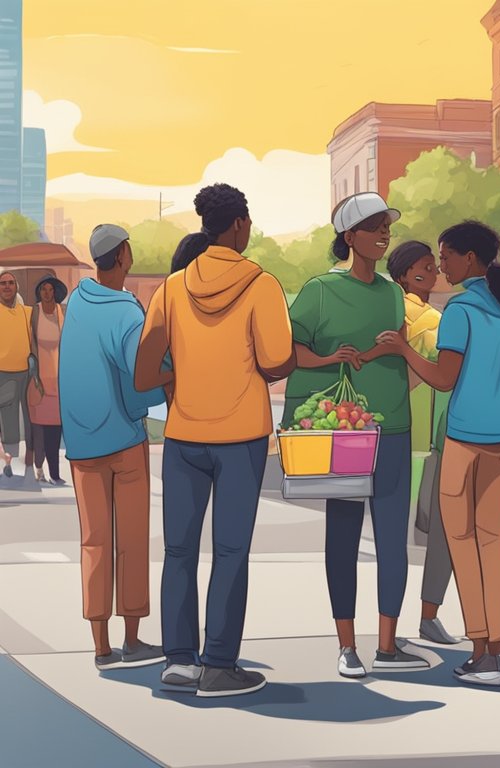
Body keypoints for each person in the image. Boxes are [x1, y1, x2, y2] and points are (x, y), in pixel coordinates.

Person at [135, 184, 295, 698]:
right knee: (230, 552)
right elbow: (274, 361)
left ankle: (178, 661)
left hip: (184, 436)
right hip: (241, 437)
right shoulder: (262, 285)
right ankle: (220, 665)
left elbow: (144, 369)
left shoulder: (173, 287)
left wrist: (184, 376)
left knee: (179, 550)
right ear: (240, 225)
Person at [377, 220, 500, 687]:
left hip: (465, 441)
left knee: (463, 545)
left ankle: (480, 651)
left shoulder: (461, 310)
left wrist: (405, 350)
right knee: (496, 543)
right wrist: (499, 370)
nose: (442, 264)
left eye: (446, 256)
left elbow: (443, 378)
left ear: (470, 259)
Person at [285, 192, 427, 679]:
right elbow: (290, 354)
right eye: (374, 227)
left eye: (387, 225)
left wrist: (398, 349)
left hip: (394, 427)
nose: (385, 234)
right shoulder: (320, 290)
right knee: (342, 537)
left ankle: (387, 644)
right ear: (349, 237)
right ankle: (347, 645)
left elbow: (400, 349)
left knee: (392, 540)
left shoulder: (392, 292)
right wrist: (331, 359)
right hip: (345, 431)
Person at [60, 225, 167, 672]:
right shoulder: (128, 312)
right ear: (124, 255)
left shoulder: (77, 302)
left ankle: (101, 646)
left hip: (82, 442)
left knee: (94, 543)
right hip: (123, 440)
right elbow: (141, 376)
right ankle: (133, 639)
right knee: (131, 541)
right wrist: (172, 376)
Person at [387, 240, 459, 647]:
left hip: (400, 430)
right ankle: (425, 615)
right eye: (422, 269)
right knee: (441, 530)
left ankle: (394, 628)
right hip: (426, 433)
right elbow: (446, 368)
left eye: (433, 267)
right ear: (402, 276)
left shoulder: (386, 307)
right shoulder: (431, 318)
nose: (432, 274)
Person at [28, 276, 68, 484]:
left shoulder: (63, 312)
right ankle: (38, 468)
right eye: (43, 289)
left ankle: (54, 473)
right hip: (39, 379)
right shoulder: (34, 312)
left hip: (59, 381)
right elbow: (30, 342)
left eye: (50, 289)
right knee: (39, 429)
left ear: (55, 292)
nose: (46, 293)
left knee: (55, 428)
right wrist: (33, 374)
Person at [0, 270, 36, 482]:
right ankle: (9, 463)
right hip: (3, 373)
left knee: (27, 419)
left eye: (10, 283)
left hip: (25, 373)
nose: (6, 287)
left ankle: (23, 460)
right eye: (3, 283)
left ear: (16, 287)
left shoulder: (27, 312)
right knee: (8, 420)